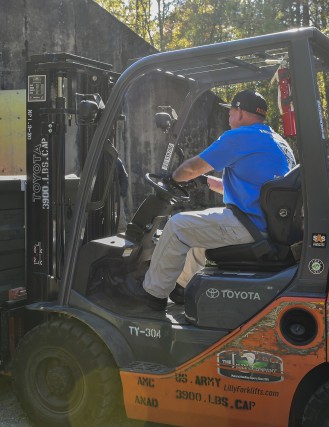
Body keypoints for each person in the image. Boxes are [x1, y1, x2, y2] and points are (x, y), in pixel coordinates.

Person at [120, 90, 296, 311]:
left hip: (250, 225)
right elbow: (254, 189)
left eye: (230, 113)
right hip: (264, 225)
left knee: (177, 226)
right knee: (197, 235)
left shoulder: (242, 136)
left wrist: (173, 178)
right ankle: (181, 289)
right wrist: (204, 181)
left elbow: (193, 166)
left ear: (239, 112)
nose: (229, 118)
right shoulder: (275, 141)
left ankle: (151, 295)